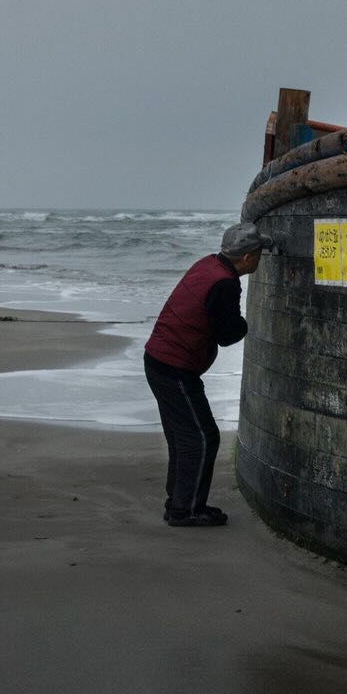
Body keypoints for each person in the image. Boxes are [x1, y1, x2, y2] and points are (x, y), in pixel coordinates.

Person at [144, 222, 267, 527]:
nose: (260, 258)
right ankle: (185, 511)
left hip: (158, 359)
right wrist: (247, 324)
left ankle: (180, 502)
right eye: (260, 253)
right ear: (249, 258)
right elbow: (228, 334)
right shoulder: (226, 283)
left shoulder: (207, 263)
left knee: (183, 437)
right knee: (202, 437)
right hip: (174, 367)